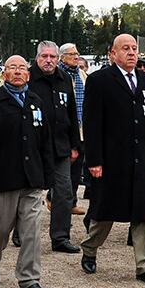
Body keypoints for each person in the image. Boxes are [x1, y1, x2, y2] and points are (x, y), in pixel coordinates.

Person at [80, 34, 145, 285]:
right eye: (125, 48)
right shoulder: (99, 81)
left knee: (143, 211)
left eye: (134, 48)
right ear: (112, 53)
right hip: (113, 159)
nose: (131, 52)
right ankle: (90, 248)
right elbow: (92, 124)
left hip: (144, 157)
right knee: (106, 211)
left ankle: (144, 265)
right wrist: (94, 160)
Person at [0, 55, 54, 288]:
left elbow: (45, 142)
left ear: (28, 74)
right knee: (0, 229)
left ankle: (29, 279)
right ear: (4, 73)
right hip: (4, 179)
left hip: (32, 179)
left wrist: (47, 176)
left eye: (22, 68)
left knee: (31, 231)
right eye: (12, 68)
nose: (18, 72)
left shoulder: (36, 102)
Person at [29, 40, 82, 253]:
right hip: (33, 147)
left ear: (58, 59)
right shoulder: (28, 77)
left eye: (52, 57)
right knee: (28, 194)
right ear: (37, 58)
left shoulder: (65, 79)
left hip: (60, 146)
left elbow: (71, 113)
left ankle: (60, 237)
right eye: (45, 57)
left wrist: (75, 145)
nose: (49, 61)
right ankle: (20, 233)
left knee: (64, 192)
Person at [58, 43, 87, 216]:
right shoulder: (59, 75)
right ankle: (55, 198)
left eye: (77, 54)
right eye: (71, 54)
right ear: (62, 57)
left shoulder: (81, 74)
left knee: (76, 169)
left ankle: (72, 201)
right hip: (64, 127)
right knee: (63, 169)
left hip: (81, 128)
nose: (76, 57)